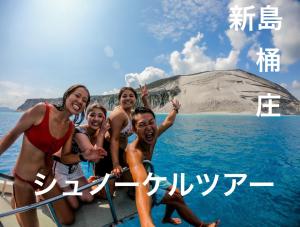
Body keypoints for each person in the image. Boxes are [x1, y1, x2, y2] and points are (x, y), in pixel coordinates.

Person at [0, 84, 90, 227]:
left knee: (68, 219)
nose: (80, 101)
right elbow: (12, 134)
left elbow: (65, 157)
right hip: (24, 180)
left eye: (84, 100)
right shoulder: (41, 110)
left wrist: (85, 156)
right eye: (77, 95)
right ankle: (18, 202)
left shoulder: (70, 127)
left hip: (44, 177)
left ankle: (35, 196)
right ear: (67, 95)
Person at [126, 102, 220, 227]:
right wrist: (146, 223)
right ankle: (202, 226)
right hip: (133, 184)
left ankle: (166, 218)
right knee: (176, 199)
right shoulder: (133, 151)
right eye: (142, 125)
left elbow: (168, 122)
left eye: (151, 122)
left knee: (177, 192)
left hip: (149, 174)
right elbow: (141, 182)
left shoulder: (152, 137)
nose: (148, 128)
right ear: (134, 129)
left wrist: (175, 109)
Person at [53, 102, 109, 209]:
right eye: (92, 115)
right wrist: (102, 133)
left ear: (104, 119)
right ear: (86, 116)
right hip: (60, 168)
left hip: (75, 169)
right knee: (74, 205)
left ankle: (70, 187)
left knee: (89, 198)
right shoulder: (79, 132)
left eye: (100, 116)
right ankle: (46, 191)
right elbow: (95, 158)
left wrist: (101, 133)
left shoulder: (95, 133)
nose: (96, 119)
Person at [94, 85, 149, 178]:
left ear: (135, 98)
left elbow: (148, 116)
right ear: (119, 99)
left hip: (120, 151)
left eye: (131, 96)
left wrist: (144, 99)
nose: (128, 98)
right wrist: (115, 164)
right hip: (108, 153)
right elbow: (114, 139)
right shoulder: (119, 114)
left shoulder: (131, 113)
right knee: (107, 184)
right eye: (124, 96)